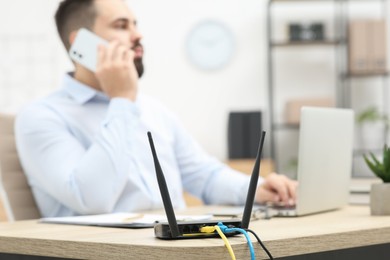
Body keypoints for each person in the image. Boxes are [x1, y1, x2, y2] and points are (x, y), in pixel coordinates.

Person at [15, 0, 297, 218]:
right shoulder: (41, 117)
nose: (138, 35)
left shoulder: (153, 110)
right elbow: (92, 199)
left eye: (135, 24)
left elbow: (205, 175)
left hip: (172, 245)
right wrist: (122, 101)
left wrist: (257, 189)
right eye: (122, 25)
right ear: (81, 44)